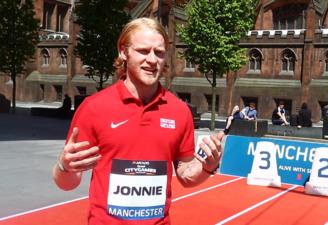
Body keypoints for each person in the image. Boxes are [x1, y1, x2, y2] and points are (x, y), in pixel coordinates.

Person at [52, 18, 224, 225]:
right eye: (143, 51)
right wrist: (64, 166)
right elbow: (67, 183)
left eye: (159, 53)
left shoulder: (179, 112)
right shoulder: (94, 107)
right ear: (124, 51)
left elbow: (186, 176)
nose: (152, 60)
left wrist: (207, 167)